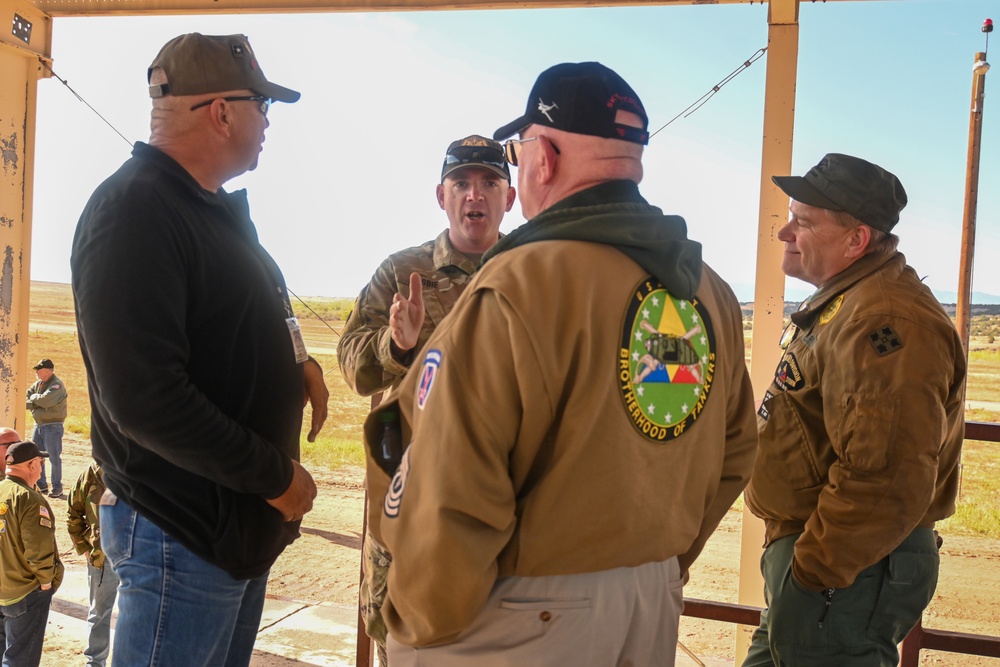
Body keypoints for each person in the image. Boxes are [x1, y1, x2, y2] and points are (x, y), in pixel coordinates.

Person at [367, 62, 757, 665]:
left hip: (520, 614)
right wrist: (658, 563)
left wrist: (414, 622)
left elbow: (453, 485)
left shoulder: (518, 285)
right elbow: (735, 452)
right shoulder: (711, 292)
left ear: (544, 157)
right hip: (650, 604)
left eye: (517, 158)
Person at [70, 32, 329, 667]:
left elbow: (231, 321)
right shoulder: (133, 212)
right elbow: (148, 400)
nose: (268, 122)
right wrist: (277, 479)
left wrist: (296, 363)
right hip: (180, 536)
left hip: (225, 535)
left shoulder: (200, 207)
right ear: (220, 111)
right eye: (262, 106)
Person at [742, 154, 967, 667]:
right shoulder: (851, 302)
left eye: (803, 221)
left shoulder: (884, 319)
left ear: (856, 241)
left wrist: (812, 571)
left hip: (843, 571)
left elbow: (886, 476)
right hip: (827, 565)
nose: (785, 232)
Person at [337, 134, 515, 665]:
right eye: (461, 183)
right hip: (414, 508)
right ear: (442, 196)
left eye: (489, 183)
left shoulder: (535, 268)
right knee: (407, 641)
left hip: (506, 510)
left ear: (511, 198)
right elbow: (351, 363)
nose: (474, 195)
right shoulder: (402, 272)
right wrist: (397, 345)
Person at [0, 441, 64, 667]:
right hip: (25, 590)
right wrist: (46, 582)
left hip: (3, 587)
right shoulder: (29, 498)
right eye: (40, 462)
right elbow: (38, 550)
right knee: (20, 659)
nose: (41, 467)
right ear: (31, 465)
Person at [67, 462, 118, 667]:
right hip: (102, 560)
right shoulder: (90, 475)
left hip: (138, 558)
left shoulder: (139, 466)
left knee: (139, 612)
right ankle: (95, 663)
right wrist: (85, 548)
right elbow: (73, 514)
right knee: (99, 614)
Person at [25, 358, 68, 498]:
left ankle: (57, 487)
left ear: (46, 372)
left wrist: (35, 400)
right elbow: (25, 398)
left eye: (38, 370)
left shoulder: (57, 385)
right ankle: (41, 485)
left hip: (53, 426)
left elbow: (45, 400)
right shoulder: (39, 383)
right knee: (36, 455)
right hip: (38, 425)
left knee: (54, 457)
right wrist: (37, 401)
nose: (36, 372)